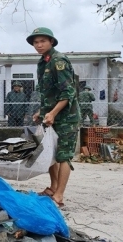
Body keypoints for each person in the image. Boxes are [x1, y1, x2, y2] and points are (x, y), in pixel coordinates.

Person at [29, 27, 80, 208]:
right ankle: (52, 188)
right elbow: (47, 93)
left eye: (42, 41)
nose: (39, 45)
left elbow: (68, 93)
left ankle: (59, 196)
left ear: (51, 41)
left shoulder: (59, 61)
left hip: (66, 117)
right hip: (51, 116)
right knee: (50, 154)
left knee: (63, 156)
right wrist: (42, 113)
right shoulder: (43, 62)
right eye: (36, 42)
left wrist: (53, 113)